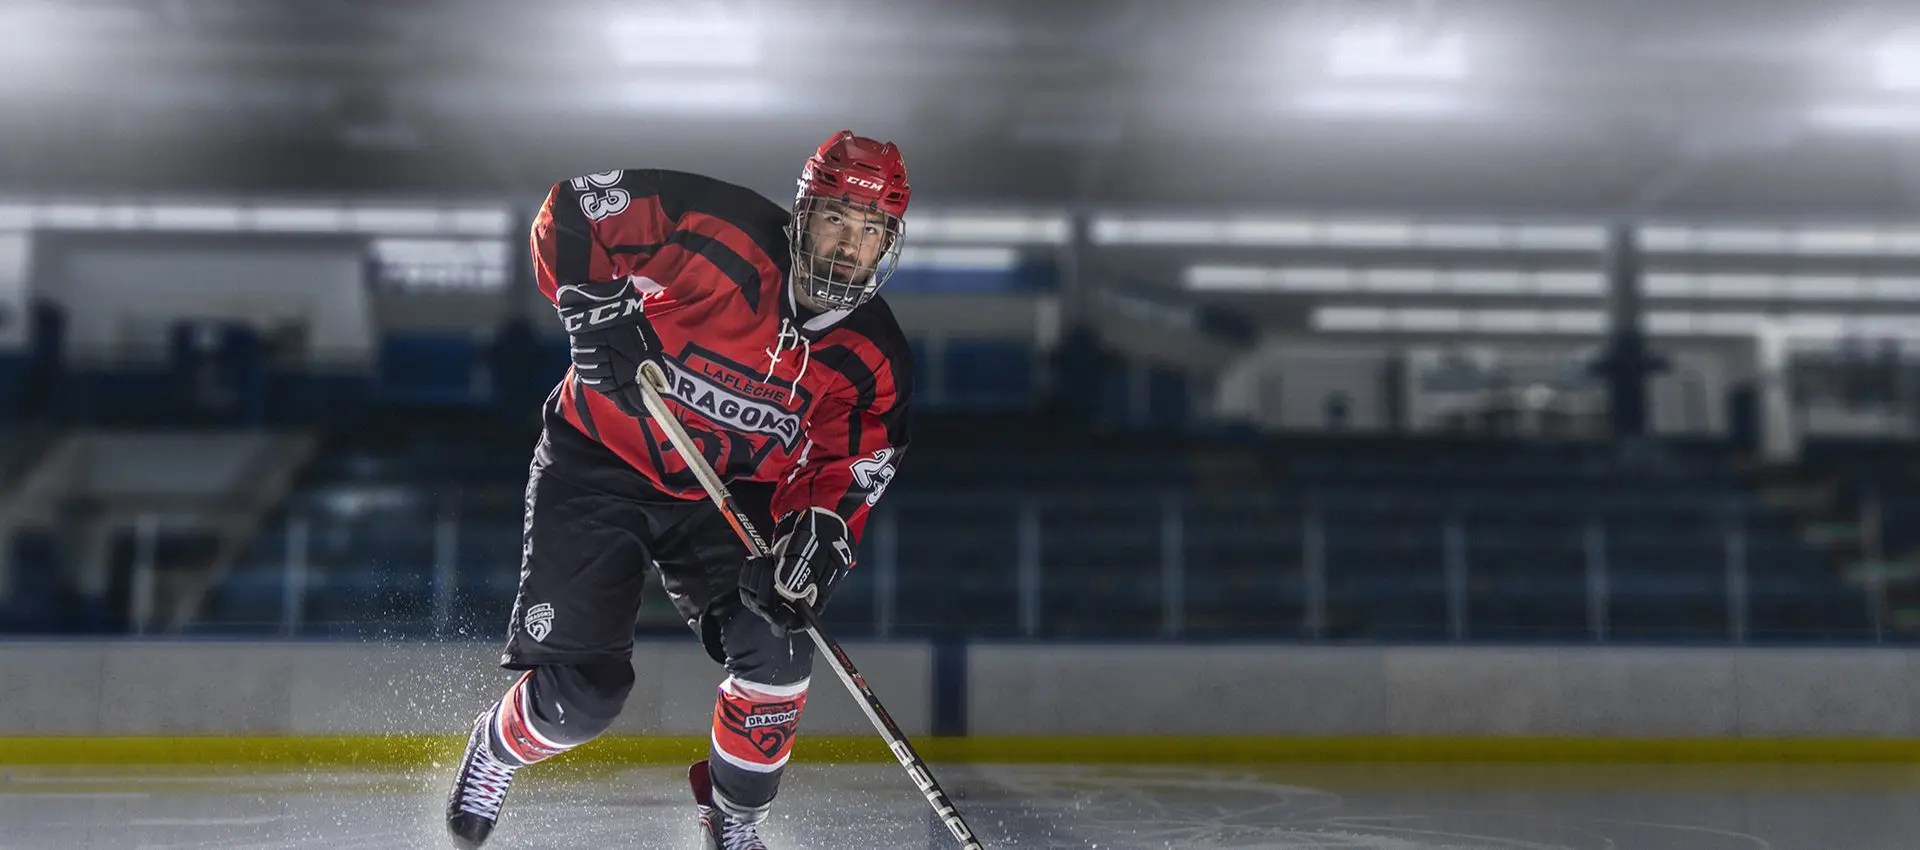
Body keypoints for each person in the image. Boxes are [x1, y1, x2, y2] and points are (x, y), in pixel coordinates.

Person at [444, 131, 914, 850]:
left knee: (782, 643)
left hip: (725, 494)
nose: (851, 246)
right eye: (837, 220)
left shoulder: (873, 358)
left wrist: (820, 532)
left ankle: (735, 818)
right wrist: (596, 305)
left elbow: (851, 465)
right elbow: (573, 209)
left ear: (890, 245)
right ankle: (495, 748)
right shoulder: (715, 231)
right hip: (600, 461)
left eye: (871, 230)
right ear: (804, 211)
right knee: (581, 699)